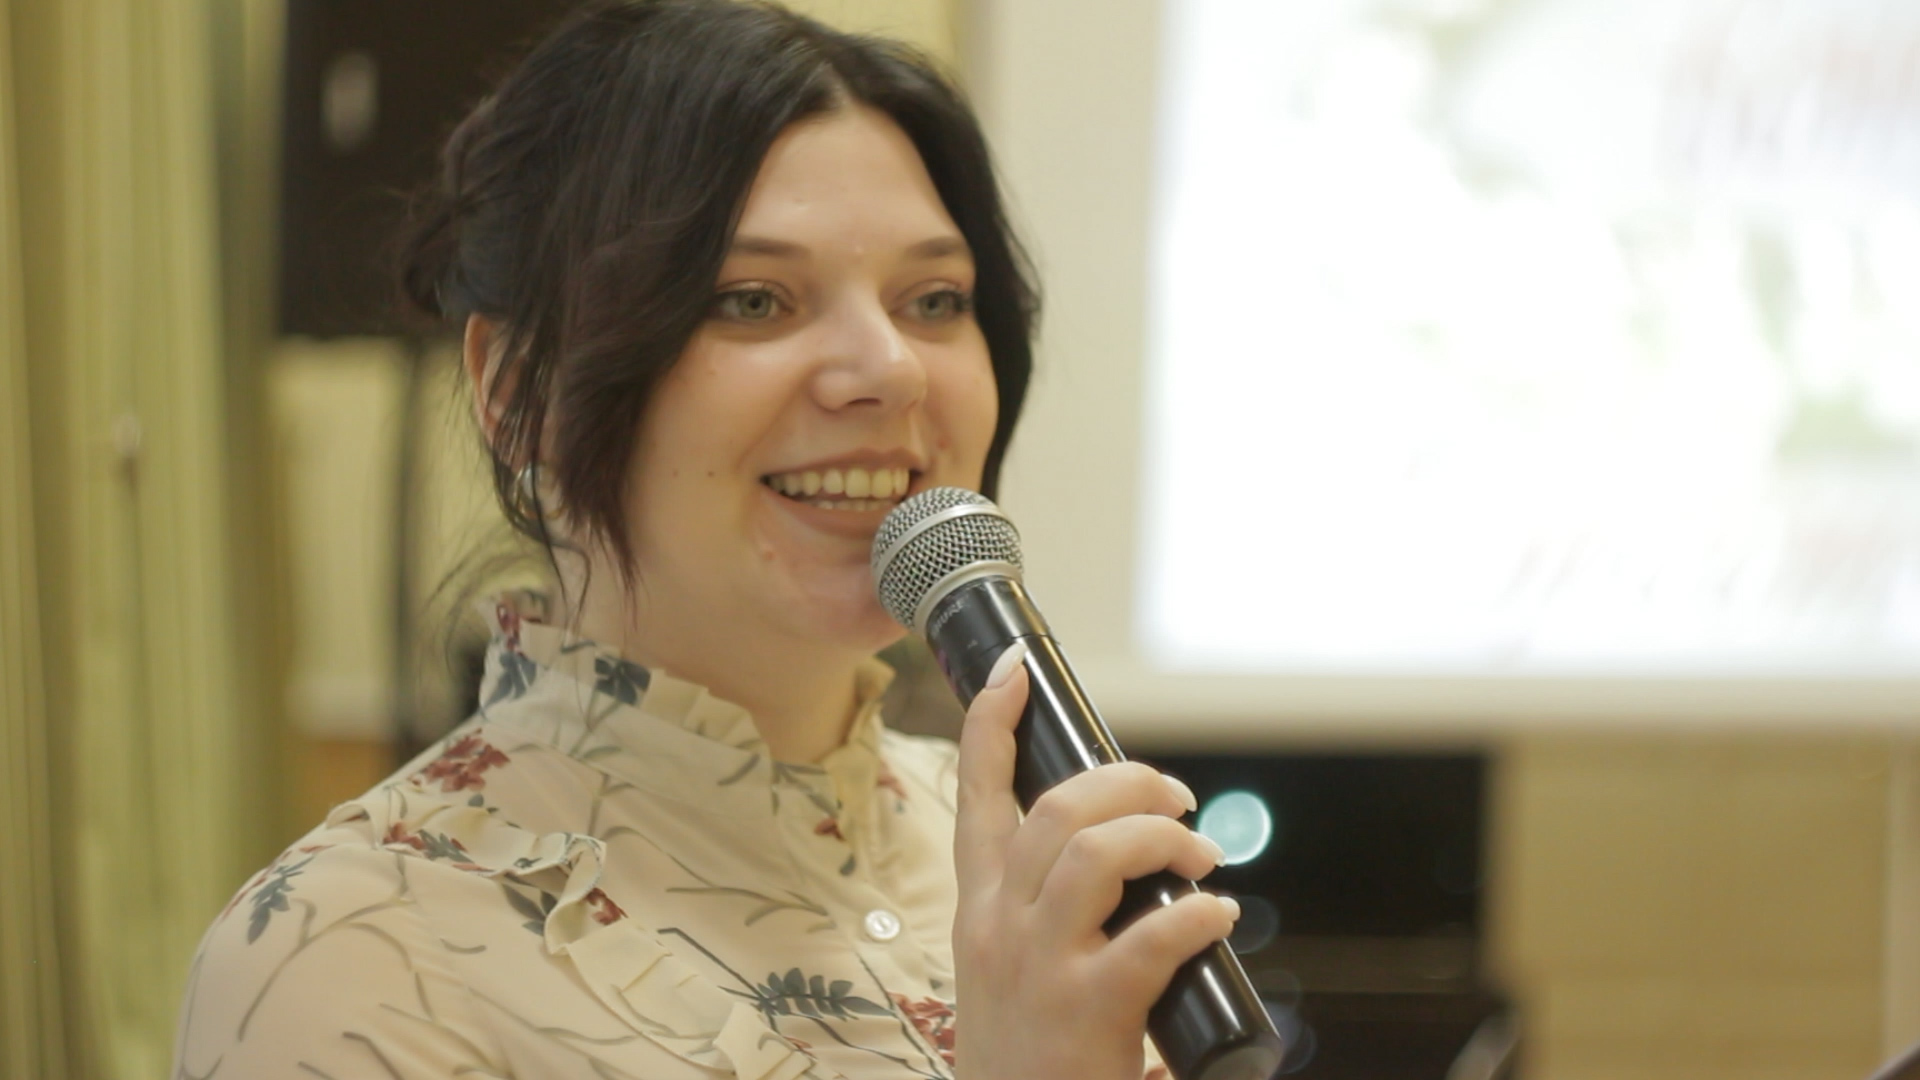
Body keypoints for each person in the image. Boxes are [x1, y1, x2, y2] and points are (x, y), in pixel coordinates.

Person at [173, 3, 1238, 1077]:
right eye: (754, 300)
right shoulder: (349, 956)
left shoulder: (1035, 855)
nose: (890, 368)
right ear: (514, 390)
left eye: (933, 299)